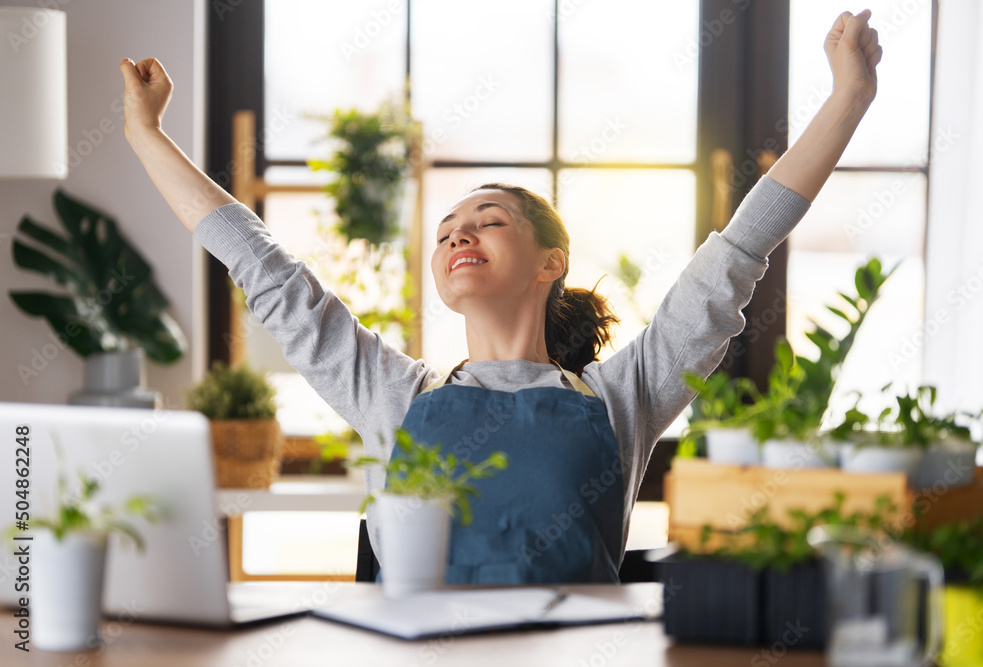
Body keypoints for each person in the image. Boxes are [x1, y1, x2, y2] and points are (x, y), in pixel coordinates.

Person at [120, 10, 882, 584]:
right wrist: (146, 134)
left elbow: (741, 249)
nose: (459, 235)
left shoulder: (626, 392)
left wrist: (850, 94)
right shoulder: (392, 391)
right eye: (448, 229)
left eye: (490, 220)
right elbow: (265, 270)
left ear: (551, 262)